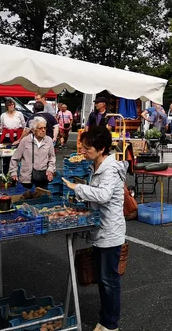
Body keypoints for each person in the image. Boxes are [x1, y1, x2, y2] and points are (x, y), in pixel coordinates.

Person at [62, 126, 125, 331]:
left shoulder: (110, 169)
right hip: (101, 229)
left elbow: (104, 195)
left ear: (101, 149)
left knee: (109, 280)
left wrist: (77, 188)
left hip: (110, 231)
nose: (83, 151)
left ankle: (111, 324)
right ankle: (105, 319)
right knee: (103, 279)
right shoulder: (95, 166)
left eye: (88, 148)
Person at [10, 116, 56, 189]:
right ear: (33, 130)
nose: (43, 130)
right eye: (40, 128)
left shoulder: (49, 140)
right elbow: (15, 158)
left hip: (42, 177)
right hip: (27, 178)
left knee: (41, 197)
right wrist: (13, 173)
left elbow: (52, 157)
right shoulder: (25, 141)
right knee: (27, 198)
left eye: (45, 128)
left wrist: (50, 169)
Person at [0, 99, 26, 173]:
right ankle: (6, 175)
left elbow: (24, 126)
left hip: (17, 137)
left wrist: (20, 139)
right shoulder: (3, 115)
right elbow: (2, 127)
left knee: (18, 156)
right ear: (7, 106)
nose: (11, 106)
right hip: (7, 138)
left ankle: (18, 175)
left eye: (12, 105)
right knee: (7, 157)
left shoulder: (19, 114)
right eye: (9, 105)